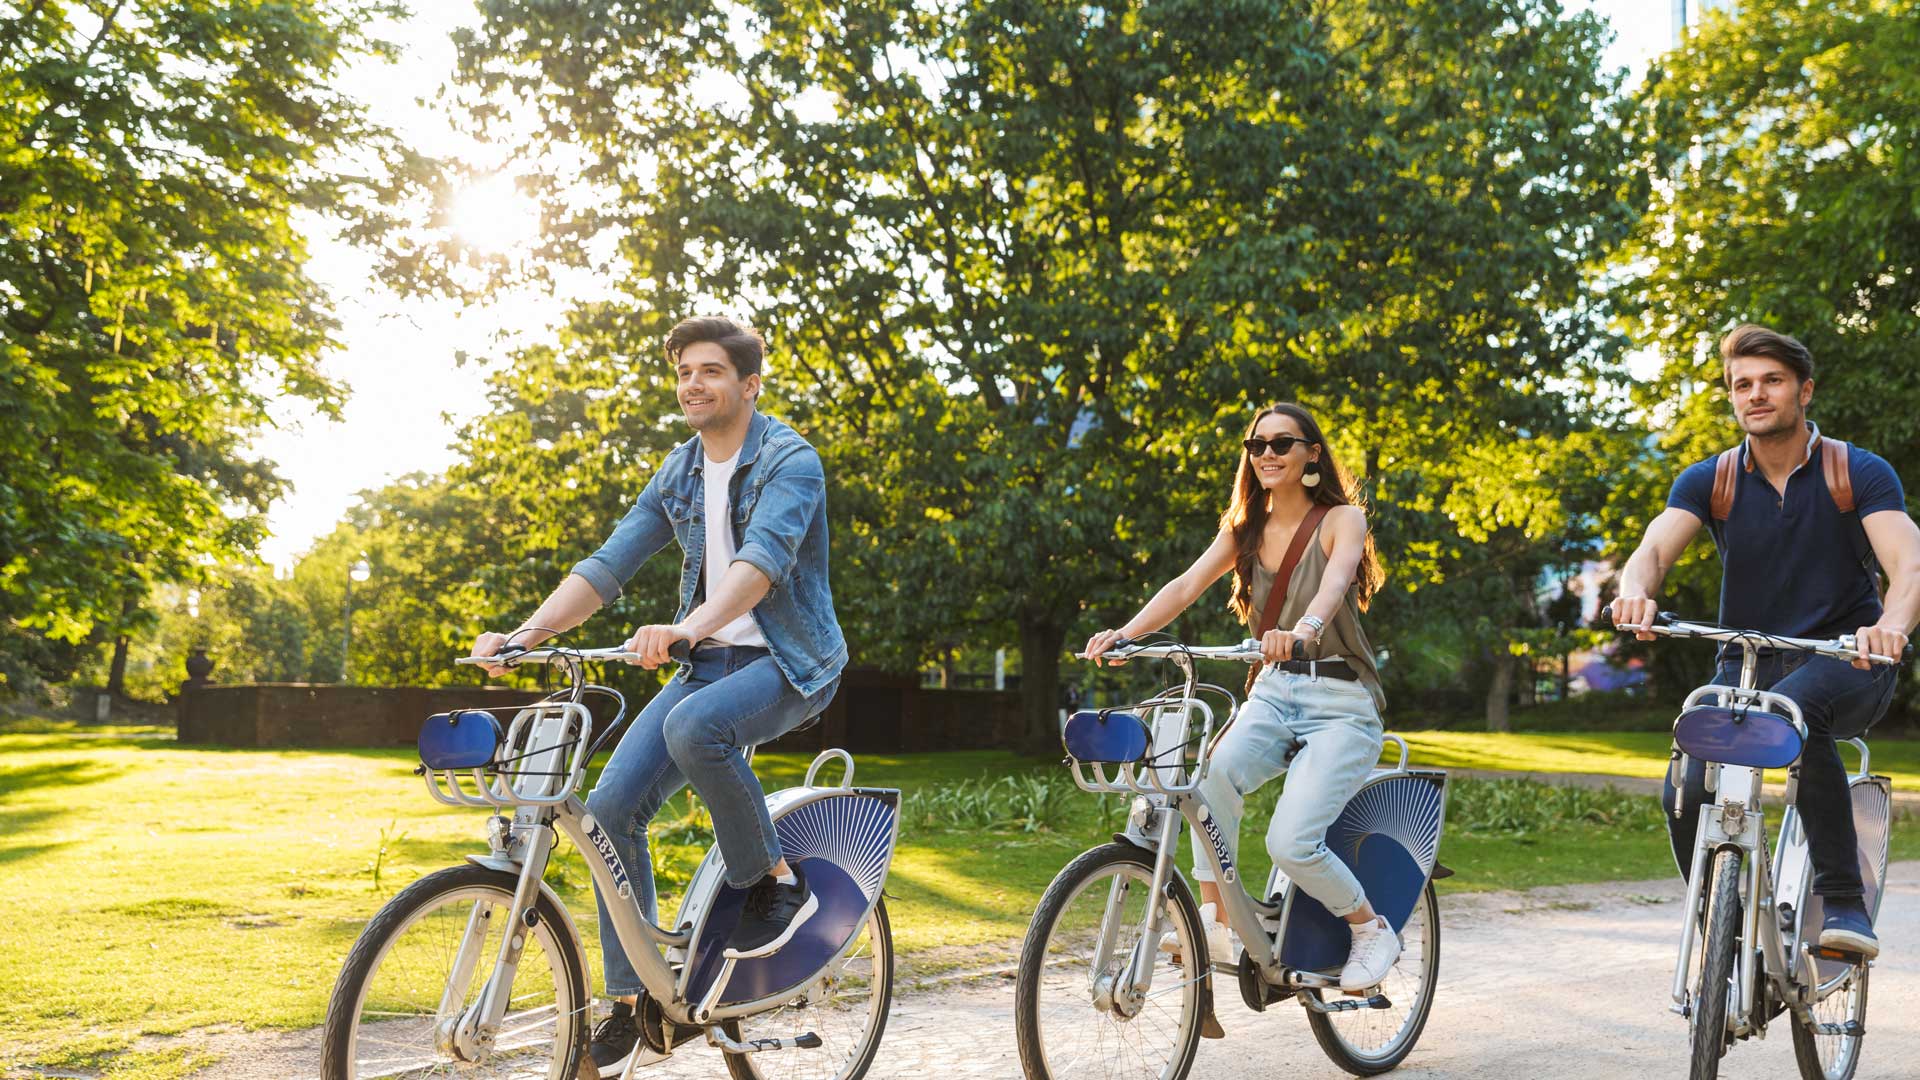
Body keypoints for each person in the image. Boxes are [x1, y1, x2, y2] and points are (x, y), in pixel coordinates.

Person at [471, 316, 847, 1075]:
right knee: (609, 812)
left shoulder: (789, 459)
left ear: (748, 384)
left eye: (710, 371)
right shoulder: (678, 470)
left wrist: (684, 626)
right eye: (683, 374)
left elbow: (759, 566)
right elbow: (608, 565)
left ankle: (772, 881)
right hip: (708, 660)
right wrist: (525, 635)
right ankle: (636, 1002)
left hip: (789, 662)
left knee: (695, 729)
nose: (692, 385)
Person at [1611, 324, 1920, 959]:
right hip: (1747, 662)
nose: (1756, 394)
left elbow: (1909, 567)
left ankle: (1843, 904)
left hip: (1849, 658)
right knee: (1690, 764)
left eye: (1772, 381)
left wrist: (1890, 627)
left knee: (1798, 713)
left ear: (1804, 391)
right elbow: (1651, 551)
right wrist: (1637, 590)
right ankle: (1719, 917)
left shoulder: (1856, 472)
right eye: (1742, 384)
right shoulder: (1713, 479)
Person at [1082, 402, 1399, 994]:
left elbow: (1336, 582)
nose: (1268, 454)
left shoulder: (1342, 519)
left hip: (1340, 702)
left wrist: (1303, 630)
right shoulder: (1245, 530)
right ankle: (1216, 921)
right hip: (1274, 693)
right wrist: (1128, 634)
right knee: (1203, 782)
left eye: (1283, 443)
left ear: (1311, 453)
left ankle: (1368, 927)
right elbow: (1184, 585)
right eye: (1257, 445)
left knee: (1292, 842)